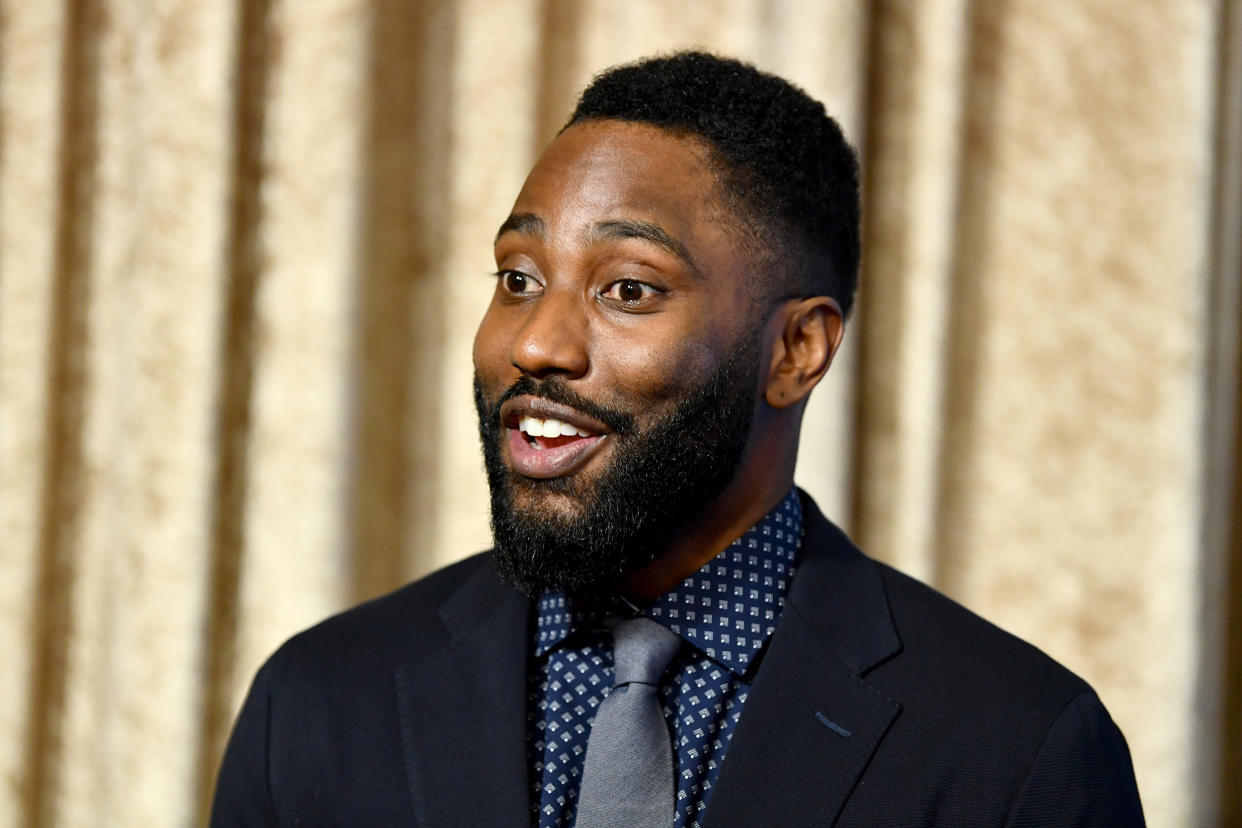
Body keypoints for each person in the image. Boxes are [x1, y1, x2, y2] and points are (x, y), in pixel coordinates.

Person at [212, 51, 1144, 826]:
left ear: (796, 350)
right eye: (520, 276)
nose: (535, 343)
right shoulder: (317, 705)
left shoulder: (1019, 752)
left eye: (628, 289)